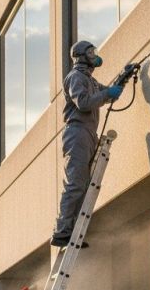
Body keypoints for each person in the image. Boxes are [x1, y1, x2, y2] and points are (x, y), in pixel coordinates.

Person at [51, 40, 123, 248]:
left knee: (83, 184)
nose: (95, 56)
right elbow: (83, 102)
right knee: (74, 182)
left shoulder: (89, 80)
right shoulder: (75, 78)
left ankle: (73, 231)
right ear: (82, 56)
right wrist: (106, 94)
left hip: (89, 133)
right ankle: (62, 231)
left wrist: (123, 78)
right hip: (77, 132)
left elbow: (107, 92)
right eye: (91, 53)